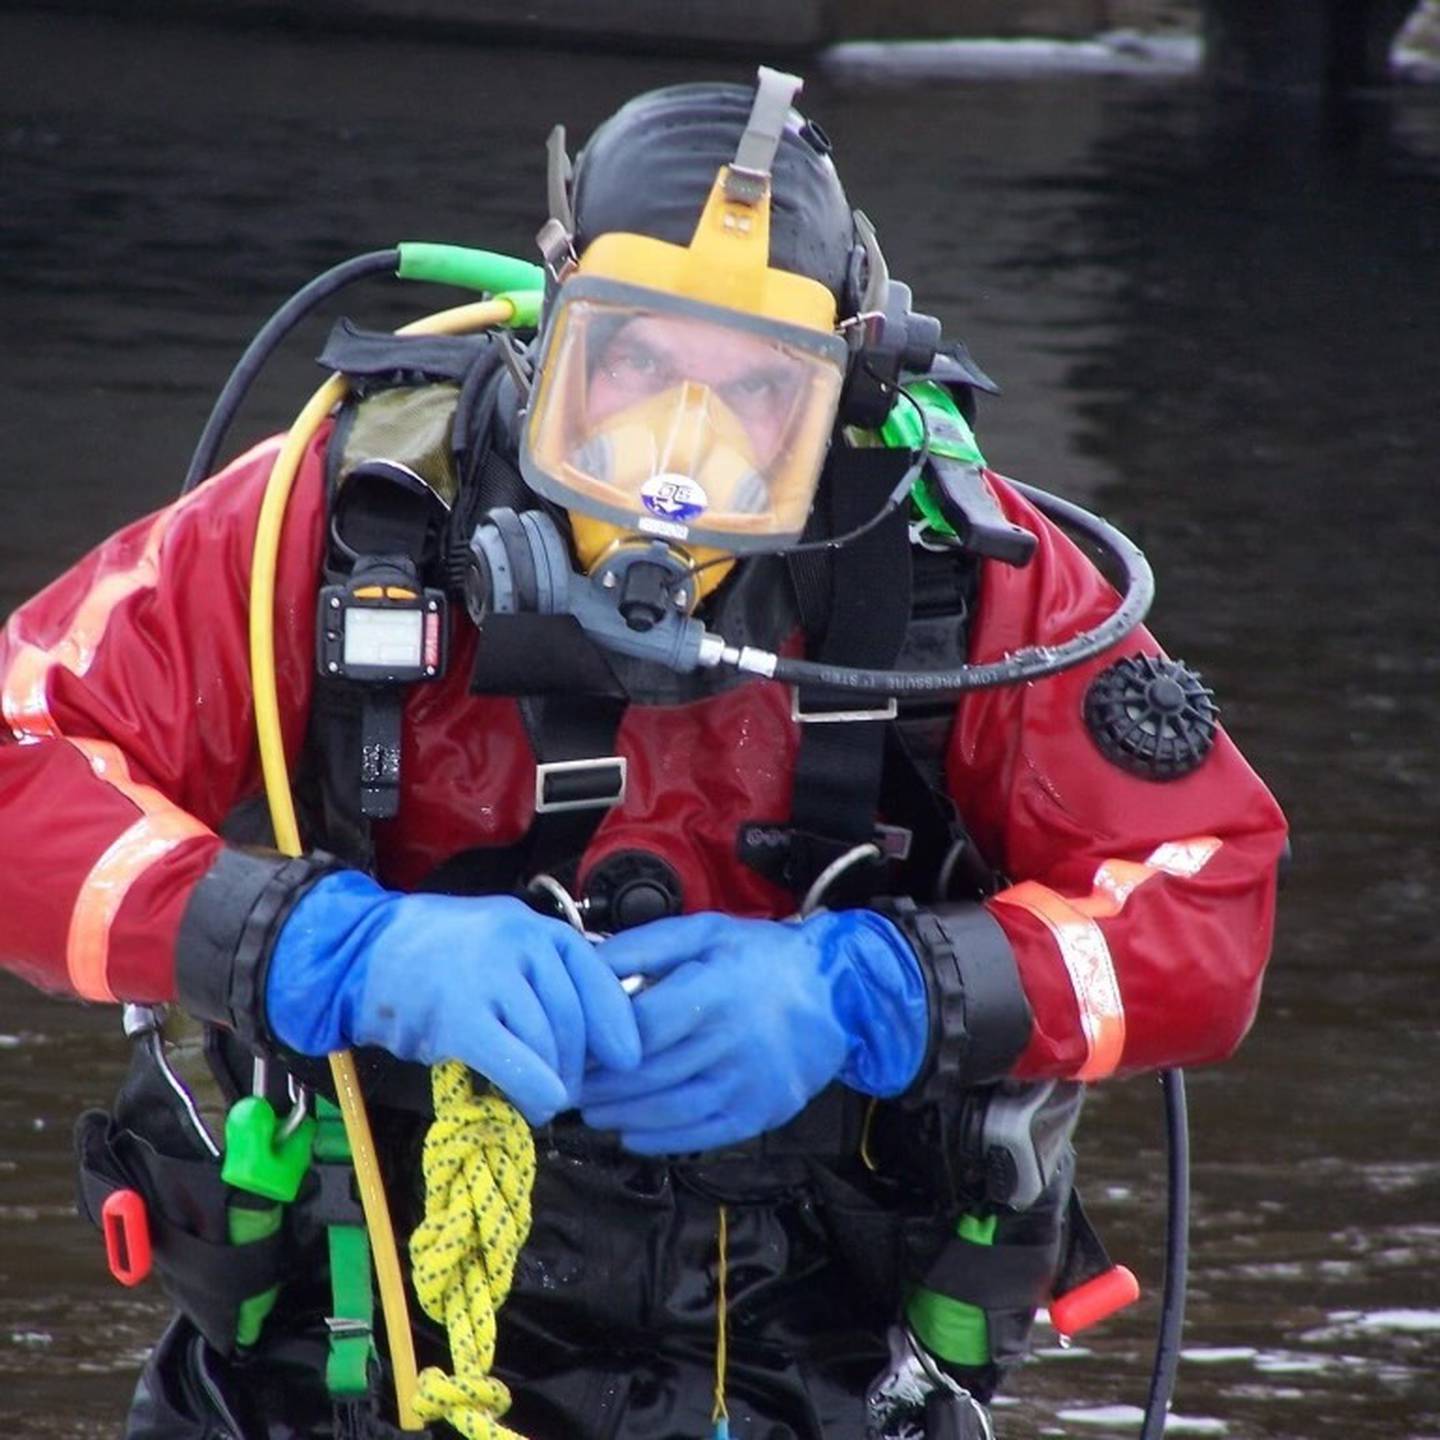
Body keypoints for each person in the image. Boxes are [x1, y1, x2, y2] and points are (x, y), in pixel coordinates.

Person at [0, 68, 1287, 1440]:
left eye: (757, 396)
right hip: (349, 1315)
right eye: (637, 365)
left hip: (814, 1347)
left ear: (842, 391)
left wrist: (875, 991)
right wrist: (327, 949)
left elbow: (1207, 899)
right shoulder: (347, 516)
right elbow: (25, 757)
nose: (683, 450)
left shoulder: (954, 575)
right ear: (553, 332)